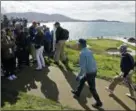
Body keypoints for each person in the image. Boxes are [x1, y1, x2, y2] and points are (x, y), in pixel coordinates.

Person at [71, 39, 103, 108]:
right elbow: (93, 61)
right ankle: (77, 92)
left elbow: (83, 68)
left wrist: (78, 76)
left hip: (90, 73)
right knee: (82, 80)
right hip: (93, 71)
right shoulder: (89, 51)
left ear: (80, 45)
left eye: (78, 44)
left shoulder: (82, 53)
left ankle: (98, 102)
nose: (77, 45)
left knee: (92, 88)